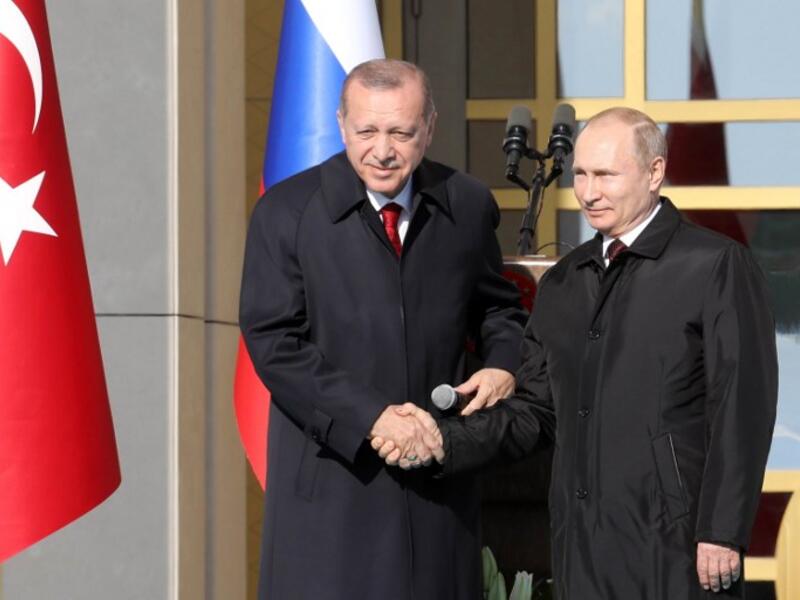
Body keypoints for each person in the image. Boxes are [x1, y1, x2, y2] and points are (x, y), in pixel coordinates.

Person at [383, 107, 778, 599]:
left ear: (655, 172)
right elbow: (534, 410)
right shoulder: (566, 282)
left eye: (607, 175)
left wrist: (721, 530)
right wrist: (445, 441)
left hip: (675, 549)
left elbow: (743, 407)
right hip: (581, 549)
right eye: (582, 175)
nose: (590, 193)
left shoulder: (715, 266)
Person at [239, 58, 526, 600]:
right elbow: (274, 343)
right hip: (333, 490)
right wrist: (372, 418)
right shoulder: (286, 213)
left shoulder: (466, 204)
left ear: (430, 128)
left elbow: (499, 309)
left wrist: (501, 363)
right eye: (367, 130)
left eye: (401, 132)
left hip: (437, 491)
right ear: (342, 123)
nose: (383, 150)